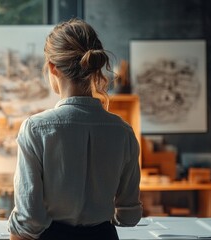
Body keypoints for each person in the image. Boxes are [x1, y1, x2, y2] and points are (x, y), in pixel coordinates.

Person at [8, 18, 142, 240]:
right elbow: (129, 216)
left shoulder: (35, 129)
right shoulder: (123, 131)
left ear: (52, 67)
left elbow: (28, 218)